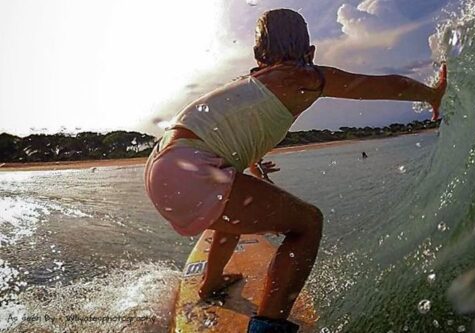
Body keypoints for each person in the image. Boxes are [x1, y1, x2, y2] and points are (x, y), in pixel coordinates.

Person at [144, 8, 447, 333]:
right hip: (190, 168)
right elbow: (376, 86)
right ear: (310, 53)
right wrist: (431, 94)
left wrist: (256, 173)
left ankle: (210, 285)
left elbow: (228, 138)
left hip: (162, 162)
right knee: (307, 223)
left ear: (259, 56)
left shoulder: (246, 85)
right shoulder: (305, 76)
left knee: (232, 218)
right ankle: (268, 328)